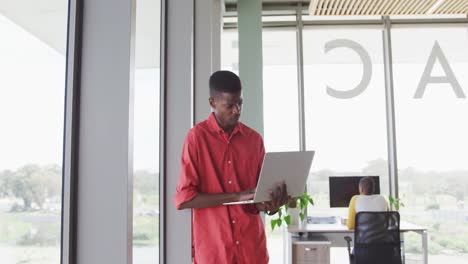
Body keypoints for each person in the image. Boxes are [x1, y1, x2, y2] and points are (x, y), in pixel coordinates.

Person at [174, 70, 289, 264]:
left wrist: (272, 205)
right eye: (229, 105)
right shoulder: (196, 138)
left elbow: (257, 201)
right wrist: (237, 195)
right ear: (212, 103)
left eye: (240, 103)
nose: (237, 110)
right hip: (215, 254)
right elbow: (184, 199)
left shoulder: (254, 140)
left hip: (252, 252)